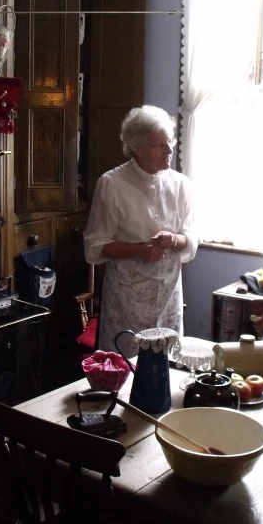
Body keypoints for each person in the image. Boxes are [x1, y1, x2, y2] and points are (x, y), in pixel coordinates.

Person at [83, 105, 197, 358]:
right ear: (136, 147)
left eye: (170, 142)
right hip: (126, 296)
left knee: (167, 364)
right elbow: (94, 245)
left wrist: (174, 239)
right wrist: (140, 251)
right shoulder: (113, 184)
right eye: (159, 145)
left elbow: (190, 240)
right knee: (125, 365)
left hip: (168, 293)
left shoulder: (180, 185)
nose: (169, 151)